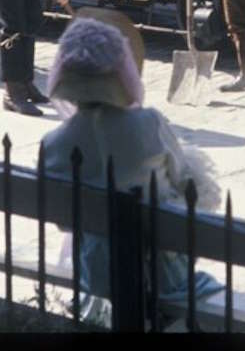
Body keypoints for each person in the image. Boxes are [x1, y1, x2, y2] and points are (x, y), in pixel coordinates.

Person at [41, 17, 224, 328]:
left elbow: (62, 220)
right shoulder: (149, 124)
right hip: (161, 272)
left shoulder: (55, 143)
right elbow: (184, 178)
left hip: (97, 273)